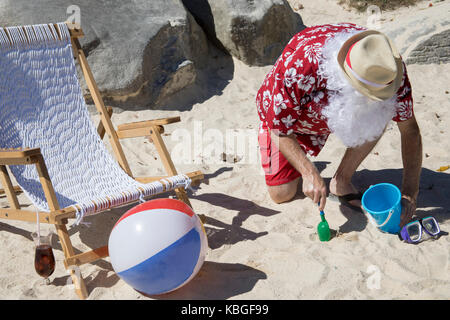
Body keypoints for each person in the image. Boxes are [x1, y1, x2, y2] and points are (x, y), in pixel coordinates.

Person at [256, 23, 422, 227]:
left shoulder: (388, 70)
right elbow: (278, 129)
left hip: (323, 114)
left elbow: (410, 131)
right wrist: (309, 172)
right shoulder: (301, 67)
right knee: (281, 193)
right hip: (283, 119)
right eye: (367, 92)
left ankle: (341, 181)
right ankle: (286, 150)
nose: (374, 97)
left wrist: (409, 194)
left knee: (381, 111)